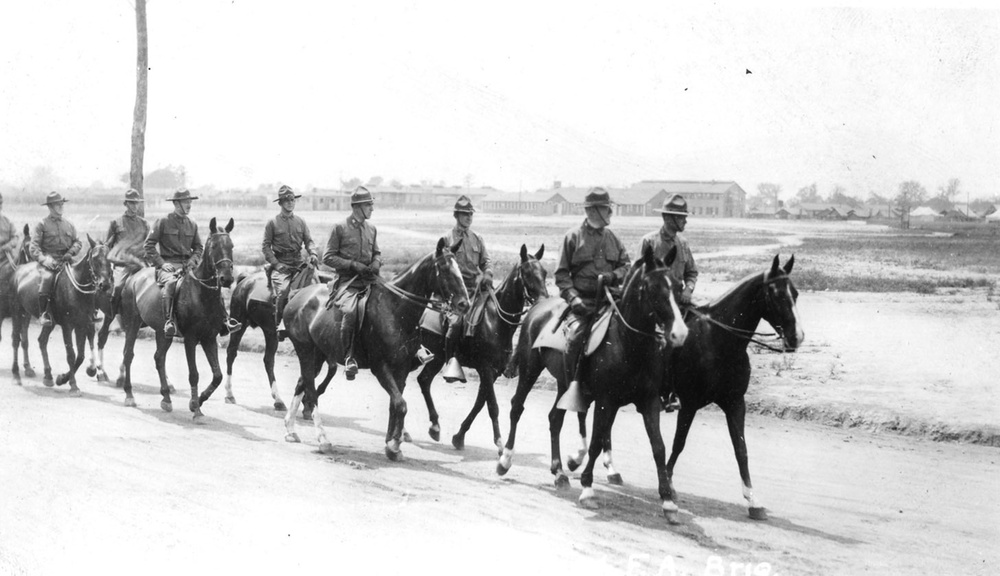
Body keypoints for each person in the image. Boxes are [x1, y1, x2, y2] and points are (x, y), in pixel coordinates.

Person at [554, 187, 630, 412]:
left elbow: (626, 266)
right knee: (576, 338)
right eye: (607, 208)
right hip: (582, 305)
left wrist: (613, 276)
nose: (611, 213)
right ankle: (574, 387)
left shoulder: (613, 238)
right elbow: (561, 275)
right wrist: (573, 299)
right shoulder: (573, 237)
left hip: (609, 302)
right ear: (595, 210)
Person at [145, 188, 241, 338]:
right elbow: (149, 246)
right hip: (168, 265)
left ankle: (224, 319)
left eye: (190, 201)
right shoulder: (163, 221)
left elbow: (198, 247)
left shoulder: (192, 223)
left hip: (189, 265)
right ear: (176, 203)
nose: (189, 205)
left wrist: (192, 261)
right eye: (186, 202)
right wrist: (161, 263)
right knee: (170, 284)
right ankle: (169, 322)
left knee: (212, 283)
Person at [639, 194, 698, 412]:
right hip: (657, 308)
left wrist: (689, 289)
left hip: (680, 304)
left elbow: (691, 272)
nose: (685, 221)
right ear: (669, 218)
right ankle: (664, 391)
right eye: (681, 217)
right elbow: (639, 276)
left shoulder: (683, 244)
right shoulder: (649, 242)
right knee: (664, 345)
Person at [323, 186, 381, 380]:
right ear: (358, 207)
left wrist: (375, 263)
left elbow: (377, 253)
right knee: (349, 311)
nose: (372, 209)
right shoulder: (340, 228)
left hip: (370, 280)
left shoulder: (371, 229)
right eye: (369, 205)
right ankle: (349, 357)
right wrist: (353, 265)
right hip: (347, 282)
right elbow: (328, 257)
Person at [439, 195, 493, 382]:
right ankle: (450, 365)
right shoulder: (447, 239)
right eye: (464, 214)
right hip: (456, 294)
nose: (468, 218)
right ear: (456, 216)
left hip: (477, 290)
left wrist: (487, 274)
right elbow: (443, 269)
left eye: (470, 214)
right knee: (454, 324)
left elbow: (486, 261)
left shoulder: (477, 238)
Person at [262, 185, 319, 340]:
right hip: (282, 265)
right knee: (283, 291)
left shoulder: (301, 222)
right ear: (280, 203)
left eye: (292, 200)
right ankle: (280, 324)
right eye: (286, 200)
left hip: (299, 263)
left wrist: (313, 253)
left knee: (318, 286)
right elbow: (266, 247)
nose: (290, 203)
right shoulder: (272, 223)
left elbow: (309, 241)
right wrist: (276, 264)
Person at [28, 192, 82, 327]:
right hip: (49, 262)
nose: (61, 206)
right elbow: (33, 247)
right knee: (47, 279)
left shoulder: (69, 224)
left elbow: (78, 242)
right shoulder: (42, 224)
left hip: (66, 260)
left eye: (61, 204)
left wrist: (71, 252)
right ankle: (43, 314)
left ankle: (89, 311)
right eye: (58, 204)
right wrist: (44, 260)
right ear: (50, 207)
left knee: (85, 275)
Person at [104, 189, 150, 318]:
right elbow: (108, 246)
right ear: (126, 204)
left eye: (136, 203)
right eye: (131, 203)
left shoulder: (144, 224)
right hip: (122, 265)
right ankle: (112, 316)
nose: (134, 206)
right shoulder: (116, 223)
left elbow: (148, 245)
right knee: (118, 287)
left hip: (140, 263)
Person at [0, 192, 21, 269]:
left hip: (7, 259)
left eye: (0, 203)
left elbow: (15, 237)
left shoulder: (7, 221)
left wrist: (9, 245)